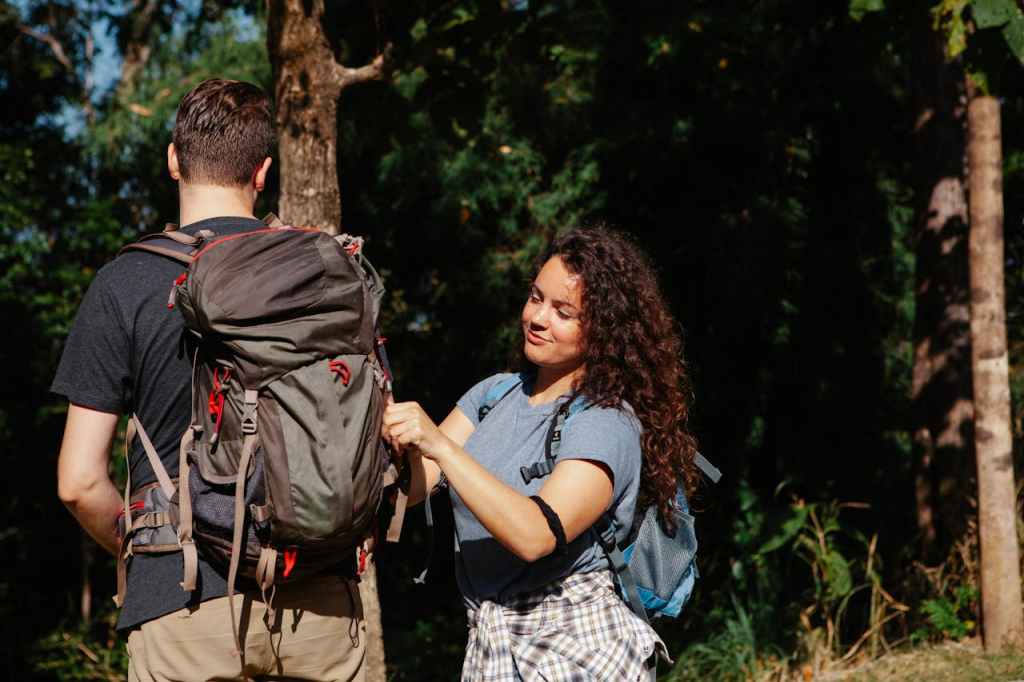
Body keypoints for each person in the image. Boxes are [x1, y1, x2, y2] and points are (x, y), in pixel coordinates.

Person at [52, 78, 365, 682]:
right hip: (317, 597)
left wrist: (142, 546)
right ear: (263, 171)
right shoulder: (326, 273)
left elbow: (78, 482)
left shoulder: (125, 283)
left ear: (173, 159)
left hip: (180, 599)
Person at [383, 226, 700, 681]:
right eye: (535, 298)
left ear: (603, 331)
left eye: (563, 311)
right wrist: (402, 441)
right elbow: (414, 489)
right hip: (491, 641)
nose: (538, 317)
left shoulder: (606, 422)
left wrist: (438, 444)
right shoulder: (493, 394)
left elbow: (536, 535)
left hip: (577, 648)